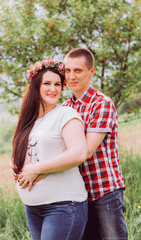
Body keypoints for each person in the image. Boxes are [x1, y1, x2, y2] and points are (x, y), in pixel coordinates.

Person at [10, 59, 88, 240]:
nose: (53, 89)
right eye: (47, 83)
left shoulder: (66, 114)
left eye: (57, 84)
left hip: (63, 206)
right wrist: (14, 164)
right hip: (33, 209)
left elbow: (79, 153)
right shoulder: (30, 120)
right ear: (36, 86)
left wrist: (37, 168)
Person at [63, 48, 128, 240]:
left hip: (104, 190)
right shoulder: (65, 108)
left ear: (91, 72)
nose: (71, 76)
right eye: (67, 71)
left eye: (78, 70)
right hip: (78, 194)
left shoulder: (102, 104)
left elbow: (86, 151)